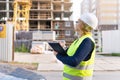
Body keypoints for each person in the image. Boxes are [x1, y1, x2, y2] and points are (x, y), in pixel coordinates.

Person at [54, 13, 98, 80]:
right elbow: (67, 57)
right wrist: (60, 49)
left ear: (83, 25)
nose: (76, 23)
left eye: (78, 22)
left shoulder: (87, 41)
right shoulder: (78, 40)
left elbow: (74, 61)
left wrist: (58, 55)